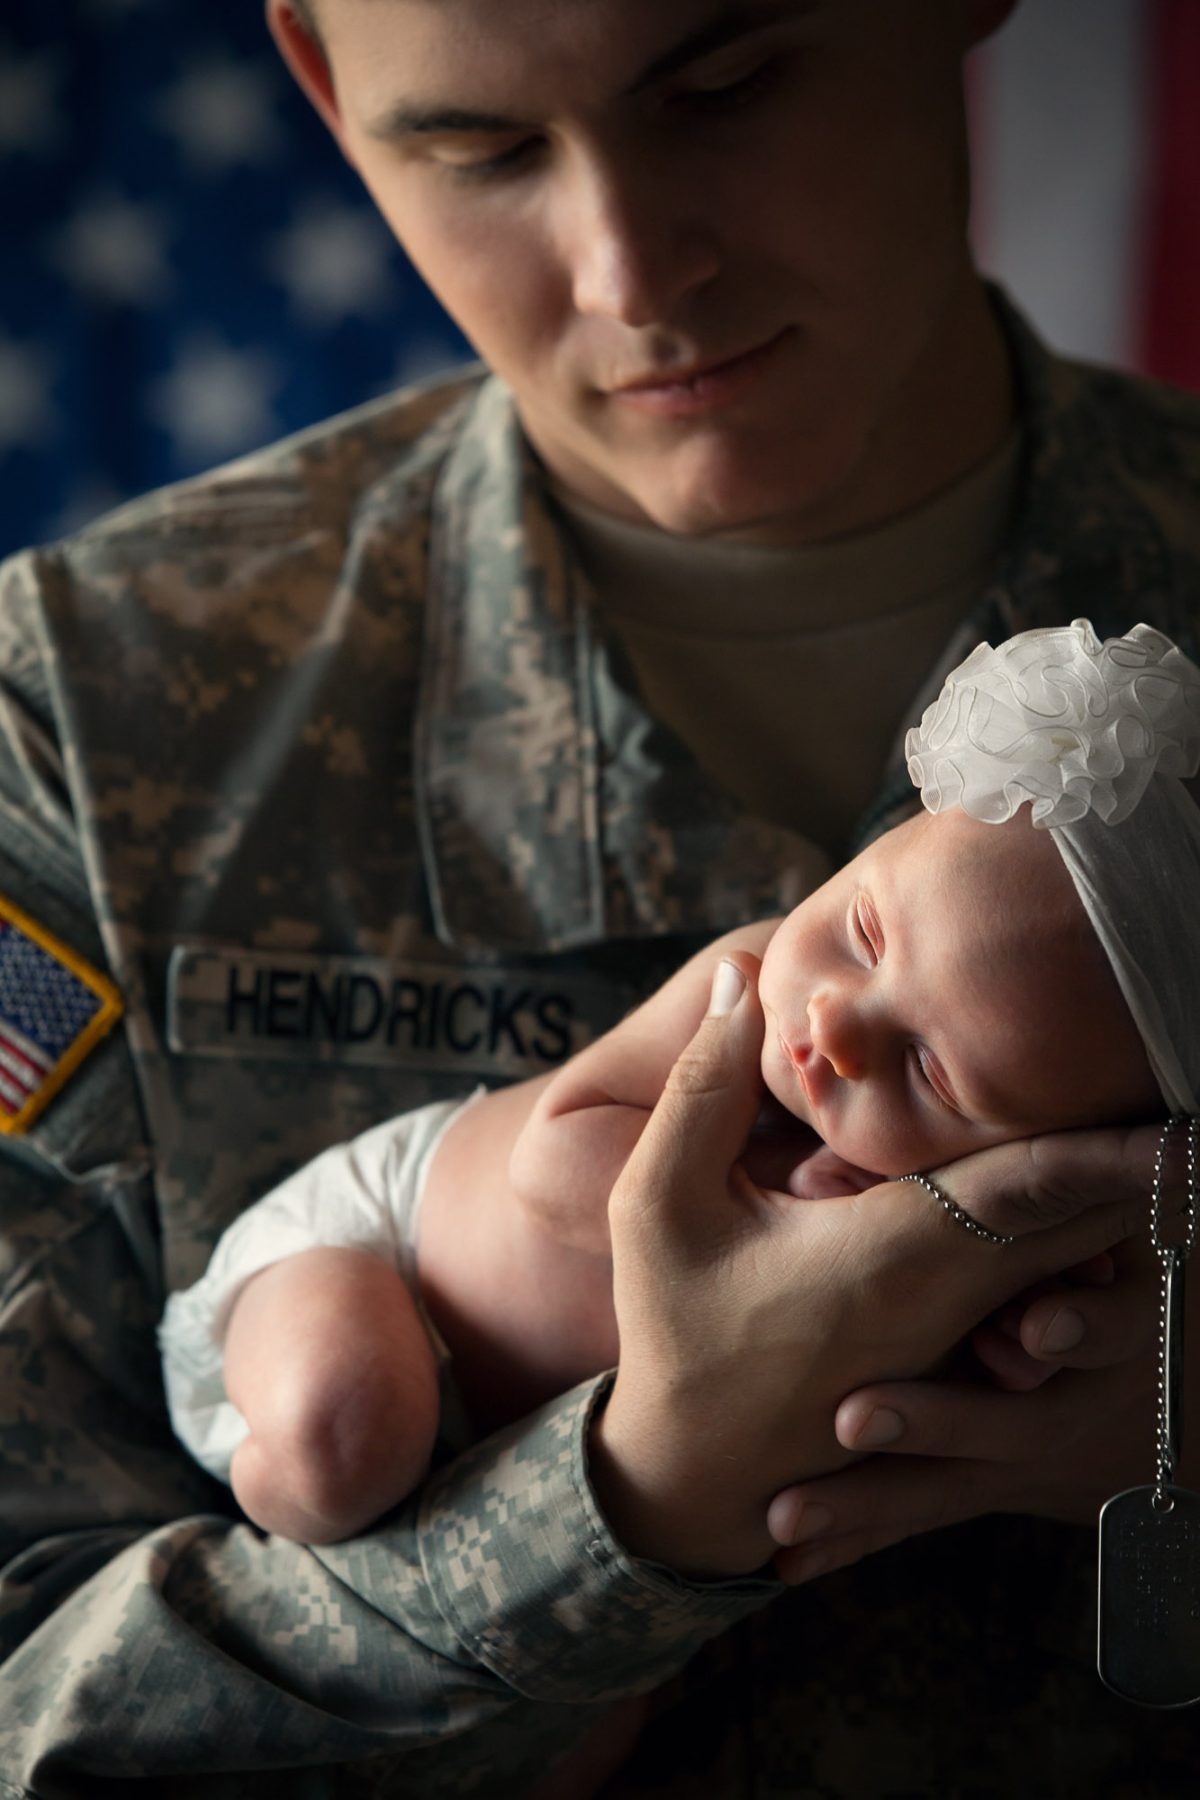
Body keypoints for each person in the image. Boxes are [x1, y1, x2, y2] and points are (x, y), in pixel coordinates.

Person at [0, 0, 1198, 1792]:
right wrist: (626, 1508)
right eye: (476, 151)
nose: (634, 269)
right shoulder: (79, 723)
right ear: (323, 93)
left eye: (727, 85)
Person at [158, 619, 1188, 1549]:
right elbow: (553, 1164)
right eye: (866, 931)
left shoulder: (988, 1202)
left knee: (596, 1693)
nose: (834, 1024)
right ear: (891, 839)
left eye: (930, 1072)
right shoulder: (742, 986)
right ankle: (266, 1490)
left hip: (557, 1484)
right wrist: (765, 1212)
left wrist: (1011, 1340)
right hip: (385, 1257)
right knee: (345, 1430)